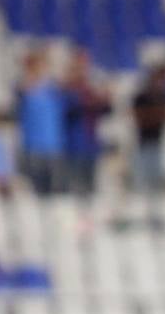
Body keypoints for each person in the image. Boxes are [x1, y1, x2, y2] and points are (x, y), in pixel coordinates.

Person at [62, 49, 112, 203]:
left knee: (90, 188)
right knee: (75, 187)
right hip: (73, 145)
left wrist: (105, 99)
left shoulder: (89, 89)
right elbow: (71, 110)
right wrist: (94, 101)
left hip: (90, 143)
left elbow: (105, 110)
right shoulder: (68, 88)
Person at [16, 49, 67, 195]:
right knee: (37, 191)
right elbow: (22, 93)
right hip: (33, 146)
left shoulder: (53, 88)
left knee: (56, 191)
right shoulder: (24, 87)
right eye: (36, 65)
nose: (39, 69)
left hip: (54, 145)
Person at [131, 62, 165, 227]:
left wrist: (157, 115)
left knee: (157, 183)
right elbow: (138, 117)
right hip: (143, 145)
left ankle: (155, 216)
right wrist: (158, 114)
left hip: (157, 145)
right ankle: (142, 216)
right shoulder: (142, 97)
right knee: (142, 182)